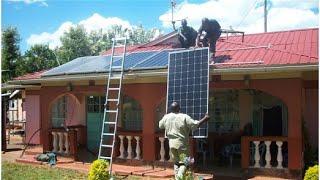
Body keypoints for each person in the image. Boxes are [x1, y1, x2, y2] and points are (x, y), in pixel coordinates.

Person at [159, 102, 210, 179]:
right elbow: (195, 125)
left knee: (176, 162)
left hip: (172, 144)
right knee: (185, 163)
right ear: (179, 109)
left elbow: (160, 125)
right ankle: (179, 177)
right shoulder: (184, 117)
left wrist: (164, 117)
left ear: (170, 109)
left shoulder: (167, 117)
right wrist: (205, 119)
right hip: (182, 144)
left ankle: (177, 178)